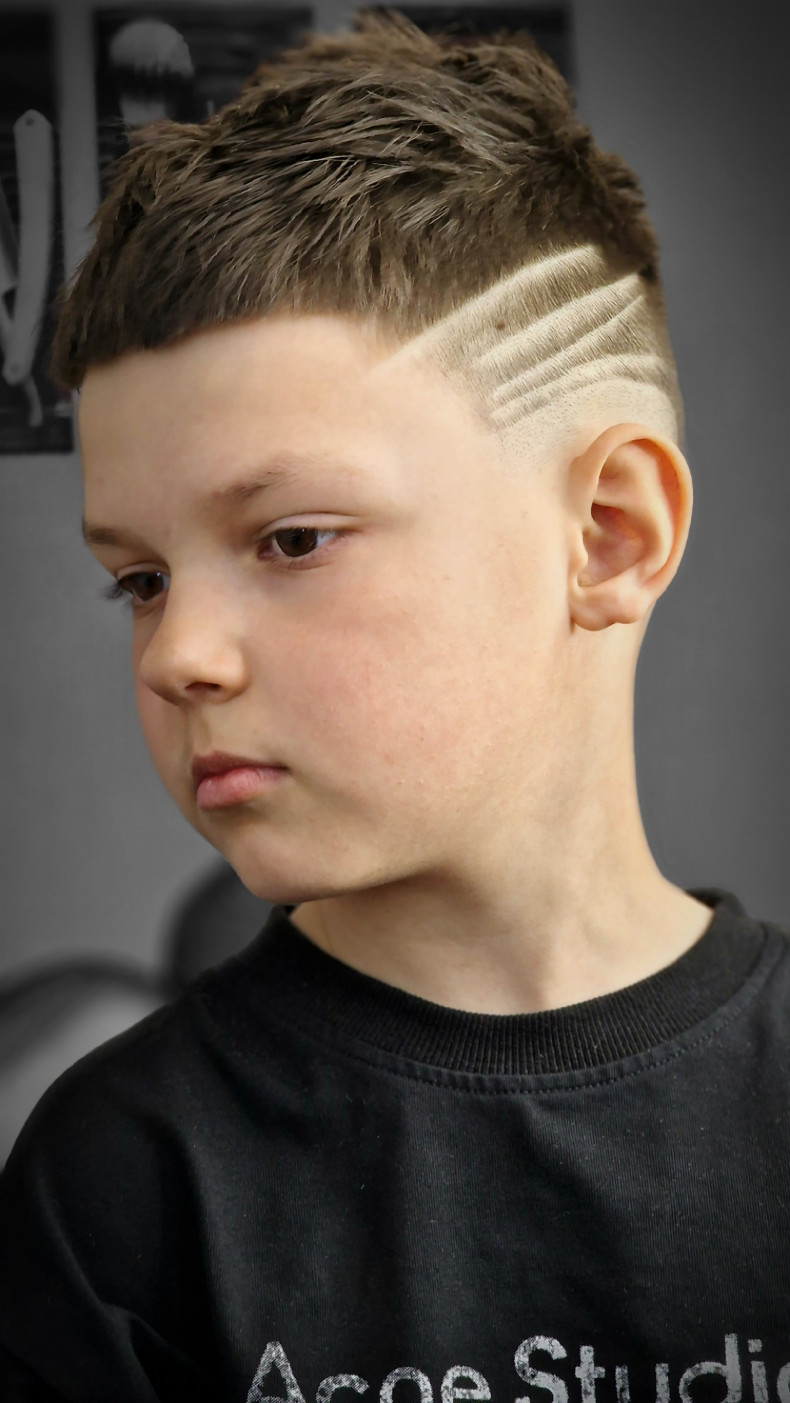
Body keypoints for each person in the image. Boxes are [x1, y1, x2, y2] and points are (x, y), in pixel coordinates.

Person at [2, 10, 789, 1400]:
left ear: (606, 534)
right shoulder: (118, 1184)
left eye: (293, 539)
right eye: (139, 579)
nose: (179, 653)